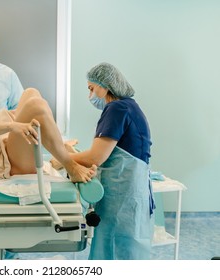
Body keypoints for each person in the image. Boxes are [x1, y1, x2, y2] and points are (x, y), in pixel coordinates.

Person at [60, 62, 155, 260]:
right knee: (123, 250)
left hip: (123, 196)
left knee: (115, 250)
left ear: (104, 85)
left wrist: (61, 158)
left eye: (91, 88)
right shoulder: (129, 107)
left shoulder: (117, 108)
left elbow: (96, 156)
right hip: (129, 193)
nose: (90, 95)